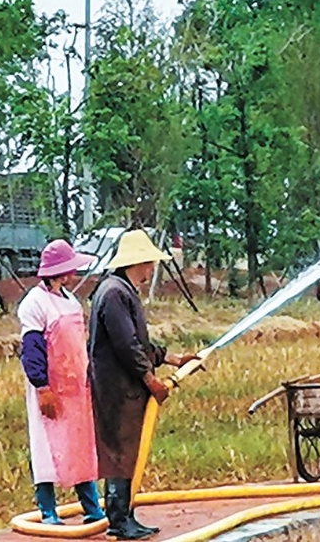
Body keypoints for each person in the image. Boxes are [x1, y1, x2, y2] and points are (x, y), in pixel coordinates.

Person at [88, 229, 199, 540]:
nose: (152, 268)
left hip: (125, 386)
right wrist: (151, 380)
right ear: (137, 262)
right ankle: (119, 520)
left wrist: (174, 359)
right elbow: (127, 346)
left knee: (128, 449)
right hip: (117, 389)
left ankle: (125, 515)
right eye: (149, 262)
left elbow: (140, 343)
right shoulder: (113, 293)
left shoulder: (121, 290)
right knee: (120, 450)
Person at [17, 239, 105, 526]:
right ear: (63, 272)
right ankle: (48, 512)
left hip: (77, 389)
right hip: (52, 388)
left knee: (80, 446)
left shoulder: (70, 300)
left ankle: (92, 507)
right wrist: (42, 387)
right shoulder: (34, 303)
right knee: (46, 448)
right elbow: (31, 349)